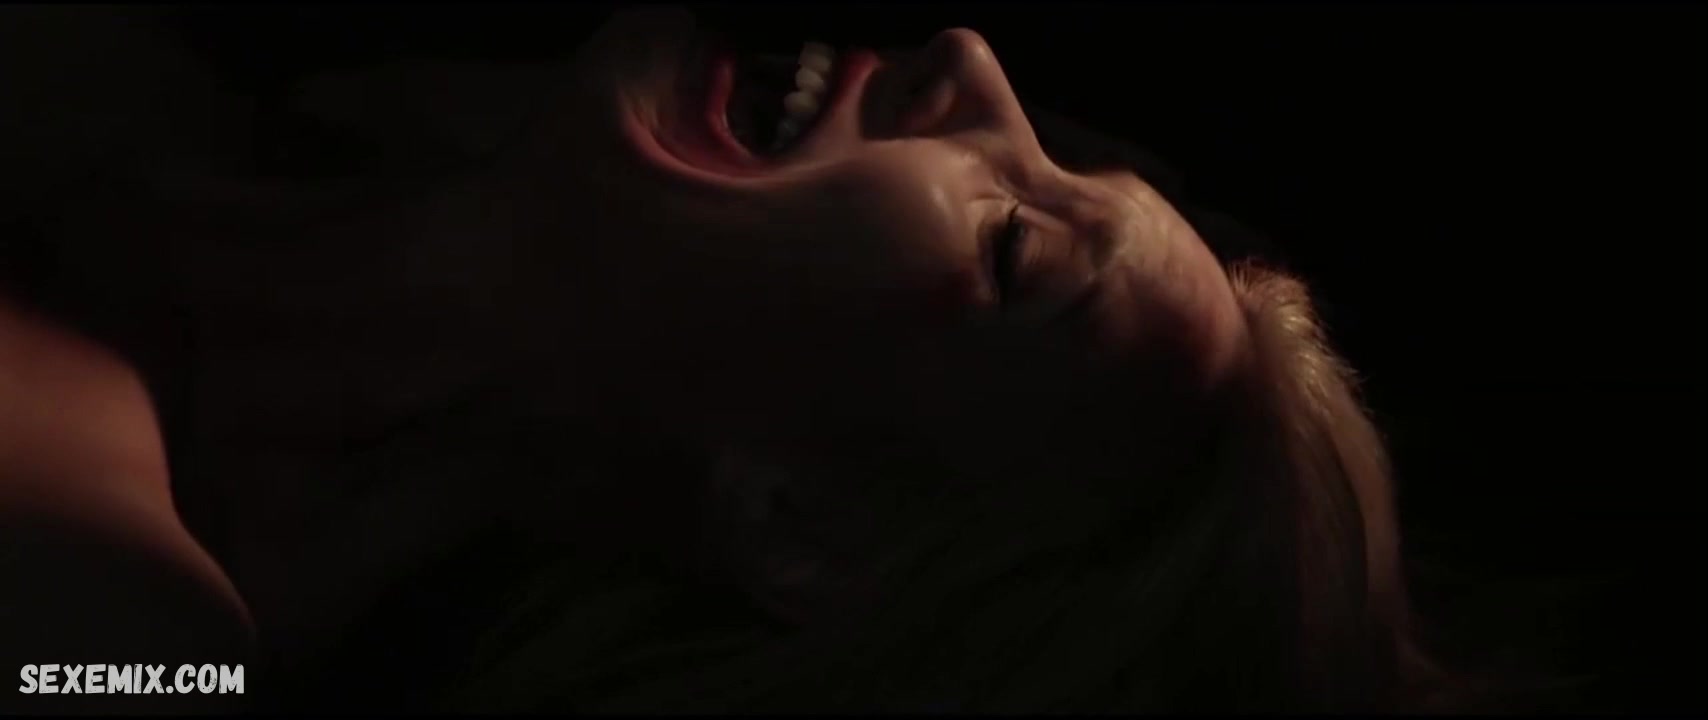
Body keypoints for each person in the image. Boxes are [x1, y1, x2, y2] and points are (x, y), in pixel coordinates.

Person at [1, 6, 1441, 712]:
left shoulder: (120, 649)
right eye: (1062, 155)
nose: (969, 58)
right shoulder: (151, 97)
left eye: (1019, 246)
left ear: (801, 523)